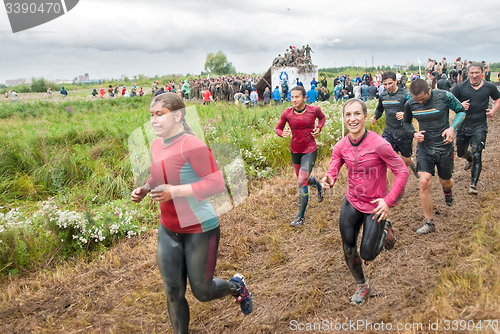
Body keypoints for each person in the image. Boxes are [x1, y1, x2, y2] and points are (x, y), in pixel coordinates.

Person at [130, 92, 253, 333]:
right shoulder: (156, 144)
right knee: (173, 292)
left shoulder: (192, 145)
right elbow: (158, 175)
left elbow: (217, 184)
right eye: (151, 115)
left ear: (177, 115)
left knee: (203, 292)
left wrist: (175, 192)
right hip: (168, 229)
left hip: (199, 229)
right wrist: (145, 188)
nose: (153, 120)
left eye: (160, 114)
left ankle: (237, 286)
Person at [321, 98, 408, 305]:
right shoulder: (341, 146)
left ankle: (385, 229)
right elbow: (334, 166)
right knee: (349, 248)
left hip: (375, 206)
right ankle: (361, 284)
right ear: (343, 118)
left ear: (365, 116)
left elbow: (402, 171)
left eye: (357, 114)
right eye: (348, 115)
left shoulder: (379, 144)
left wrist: (388, 201)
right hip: (352, 201)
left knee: (368, 254)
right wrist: (329, 178)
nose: (353, 119)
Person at [403, 79, 466, 234]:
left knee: (446, 181)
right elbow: (406, 123)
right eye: (418, 100)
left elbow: (461, 111)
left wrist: (452, 128)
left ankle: (448, 191)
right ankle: (429, 222)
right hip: (424, 147)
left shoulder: (445, 96)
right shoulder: (410, 103)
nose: (421, 102)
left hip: (444, 146)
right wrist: (414, 134)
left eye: (423, 99)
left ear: (430, 90)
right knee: (424, 182)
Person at [275, 86, 325, 226]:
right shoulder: (287, 113)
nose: (294, 99)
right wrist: (281, 133)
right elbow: (278, 128)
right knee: (303, 179)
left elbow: (322, 118)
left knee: (301, 181)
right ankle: (319, 186)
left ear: (304, 97)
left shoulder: (314, 110)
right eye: (292, 97)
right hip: (295, 150)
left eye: (297, 96)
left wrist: (318, 129)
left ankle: (300, 217)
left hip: (310, 149)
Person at [451, 62, 500, 195]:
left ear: (482, 73)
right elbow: (449, 101)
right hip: (463, 125)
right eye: (471, 73)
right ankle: (469, 158)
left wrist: (493, 111)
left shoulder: (489, 86)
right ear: (468, 73)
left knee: (478, 153)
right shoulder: (460, 87)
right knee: (460, 152)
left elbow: (498, 98)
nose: (474, 75)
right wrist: (459, 105)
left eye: (477, 73)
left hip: (480, 126)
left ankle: (473, 184)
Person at [370, 71, 418, 178]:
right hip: (389, 131)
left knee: (405, 159)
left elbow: (415, 109)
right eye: (385, 84)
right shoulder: (383, 96)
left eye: (390, 83)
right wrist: (374, 117)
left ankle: (412, 164)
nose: (387, 87)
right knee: (387, 159)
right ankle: (393, 191)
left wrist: (406, 114)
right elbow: (379, 109)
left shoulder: (406, 95)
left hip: (404, 132)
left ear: (396, 81)